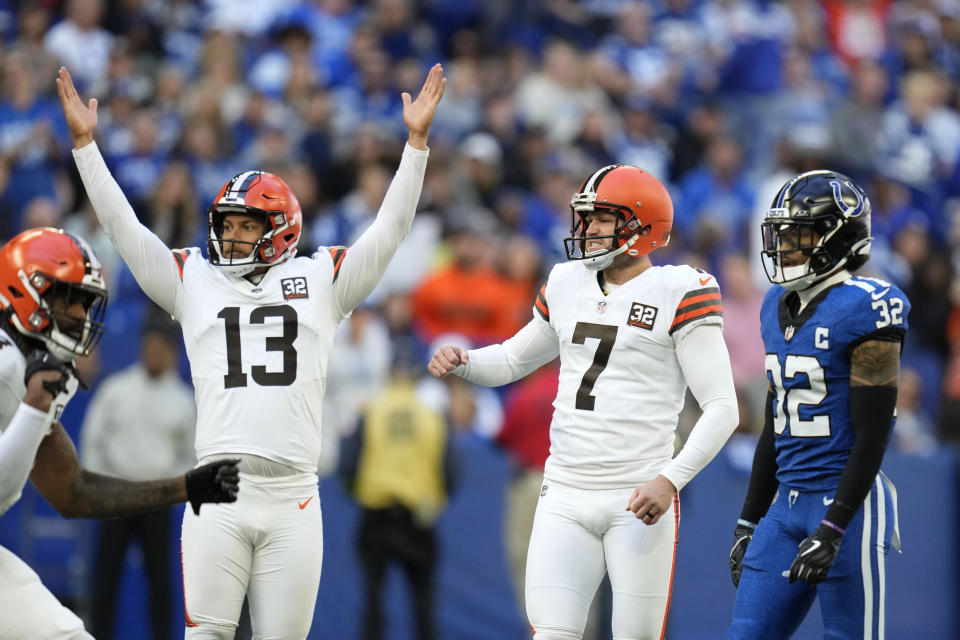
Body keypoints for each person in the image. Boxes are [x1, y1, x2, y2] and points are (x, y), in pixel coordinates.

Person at [57, 62, 446, 638]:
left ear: (281, 229)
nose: (229, 236)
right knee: (207, 634)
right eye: (226, 224)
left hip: (293, 491)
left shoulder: (322, 276)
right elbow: (125, 230)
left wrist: (415, 146)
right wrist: (87, 147)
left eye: (244, 226)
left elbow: (389, 232)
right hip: (218, 487)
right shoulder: (194, 278)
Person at [428, 164, 740, 639]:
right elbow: (513, 360)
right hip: (564, 489)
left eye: (602, 218)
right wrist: (465, 361)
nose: (587, 229)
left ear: (641, 225)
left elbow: (723, 408)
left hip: (637, 494)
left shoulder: (679, 290)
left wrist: (669, 481)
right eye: (586, 218)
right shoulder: (567, 281)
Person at [0, 227, 239, 640]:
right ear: (25, 290)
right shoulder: (11, 368)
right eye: (67, 298)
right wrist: (35, 407)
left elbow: (73, 492)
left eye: (84, 303)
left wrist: (185, 486)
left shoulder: (29, 370)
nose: (78, 315)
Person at [726, 170, 910, 639]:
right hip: (786, 506)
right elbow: (774, 423)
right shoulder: (774, 305)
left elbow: (873, 434)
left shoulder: (868, 306)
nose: (784, 246)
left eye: (799, 235)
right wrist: (749, 519)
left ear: (838, 238)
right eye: (781, 235)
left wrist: (833, 527)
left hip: (848, 504)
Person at [80, 308, 197, 640]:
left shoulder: (182, 401)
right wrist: (100, 486)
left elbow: (190, 455)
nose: (154, 352)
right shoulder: (117, 390)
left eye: (161, 346)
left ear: (172, 353)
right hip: (116, 497)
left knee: (160, 584)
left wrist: (166, 488)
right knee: (105, 581)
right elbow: (93, 439)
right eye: (149, 345)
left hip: (155, 502)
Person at [339, 352, 459, 640]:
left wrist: (358, 493)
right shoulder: (431, 415)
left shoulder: (371, 411)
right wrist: (435, 498)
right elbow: (450, 469)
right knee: (423, 606)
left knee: (373, 602)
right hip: (418, 516)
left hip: (377, 513)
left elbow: (348, 465)